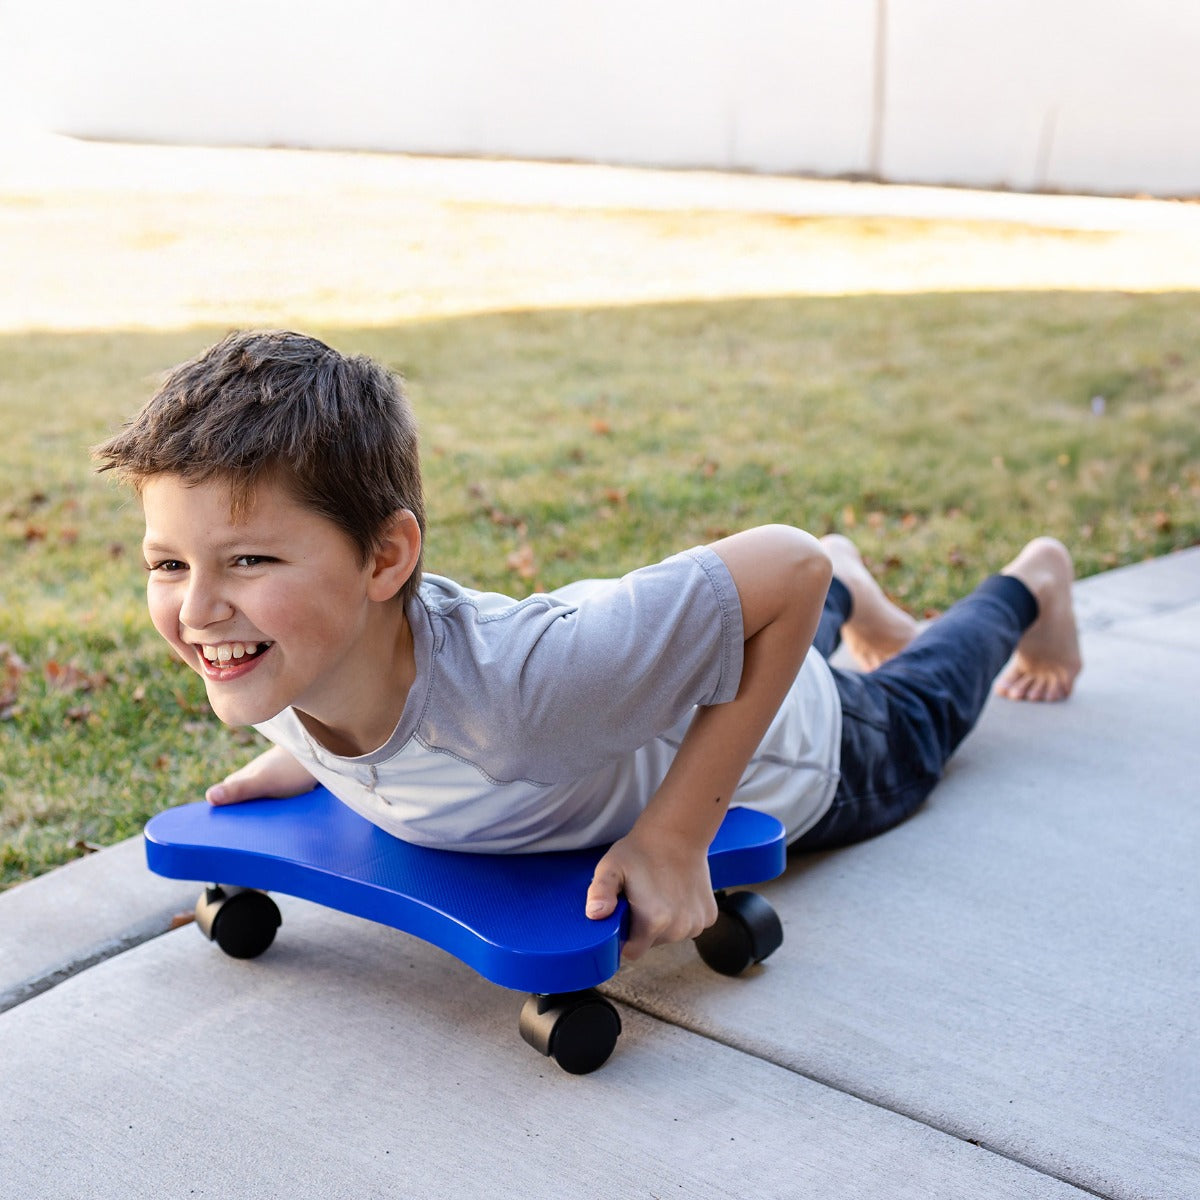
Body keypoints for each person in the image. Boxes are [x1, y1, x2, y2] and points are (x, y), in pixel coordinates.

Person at [93, 330, 1082, 962]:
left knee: (921, 712)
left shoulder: (522, 697)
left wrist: (676, 835)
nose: (197, 609)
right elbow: (358, 690)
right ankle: (853, 580)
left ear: (384, 558)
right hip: (633, 680)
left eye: (249, 559)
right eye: (168, 565)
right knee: (731, 623)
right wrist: (299, 749)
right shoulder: (284, 655)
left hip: (802, 741)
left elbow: (783, 571)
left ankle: (1027, 584)